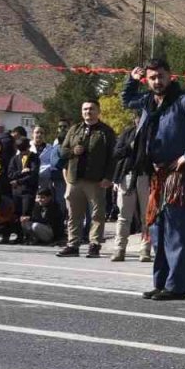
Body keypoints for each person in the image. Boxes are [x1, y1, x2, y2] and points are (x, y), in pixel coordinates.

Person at [122, 58, 185, 301]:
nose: (156, 81)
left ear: (169, 76)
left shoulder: (184, 100)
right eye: (152, 78)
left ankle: (177, 286)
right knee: (159, 230)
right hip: (158, 174)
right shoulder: (148, 101)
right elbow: (126, 100)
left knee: (178, 230)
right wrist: (131, 80)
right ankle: (161, 282)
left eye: (160, 76)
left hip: (181, 176)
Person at [56, 101, 117, 258]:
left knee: (97, 214)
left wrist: (109, 177)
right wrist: (72, 151)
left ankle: (94, 245)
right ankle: (73, 244)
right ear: (81, 112)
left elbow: (113, 157)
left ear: (98, 111)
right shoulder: (74, 129)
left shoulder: (106, 132)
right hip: (75, 178)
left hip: (96, 180)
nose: (88, 111)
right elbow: (62, 152)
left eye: (91, 109)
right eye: (85, 109)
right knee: (74, 214)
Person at [110, 122, 151, 262]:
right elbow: (116, 152)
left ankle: (145, 249)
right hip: (127, 176)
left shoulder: (153, 133)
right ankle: (119, 249)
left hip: (146, 176)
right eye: (139, 117)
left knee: (147, 217)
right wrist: (130, 147)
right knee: (123, 215)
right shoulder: (127, 133)